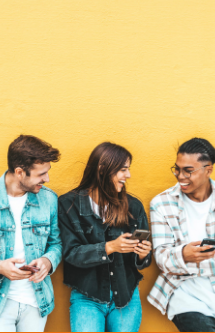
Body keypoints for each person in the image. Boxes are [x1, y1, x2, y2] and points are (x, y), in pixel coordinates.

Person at [0, 135, 62, 332]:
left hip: (36, 302)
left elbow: (56, 244)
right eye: (41, 174)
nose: (47, 179)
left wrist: (48, 262)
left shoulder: (49, 200)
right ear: (19, 172)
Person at [147, 138, 215, 332]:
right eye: (177, 169)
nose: (180, 176)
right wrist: (183, 254)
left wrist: (182, 259)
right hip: (183, 297)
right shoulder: (161, 203)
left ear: (208, 170)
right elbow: (161, 258)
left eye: (188, 170)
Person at [58, 142, 152, 332]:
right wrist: (109, 247)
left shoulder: (133, 206)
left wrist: (143, 254)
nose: (128, 175)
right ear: (102, 169)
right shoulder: (69, 204)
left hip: (126, 296)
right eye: (123, 169)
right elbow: (70, 253)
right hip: (87, 298)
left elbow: (143, 260)